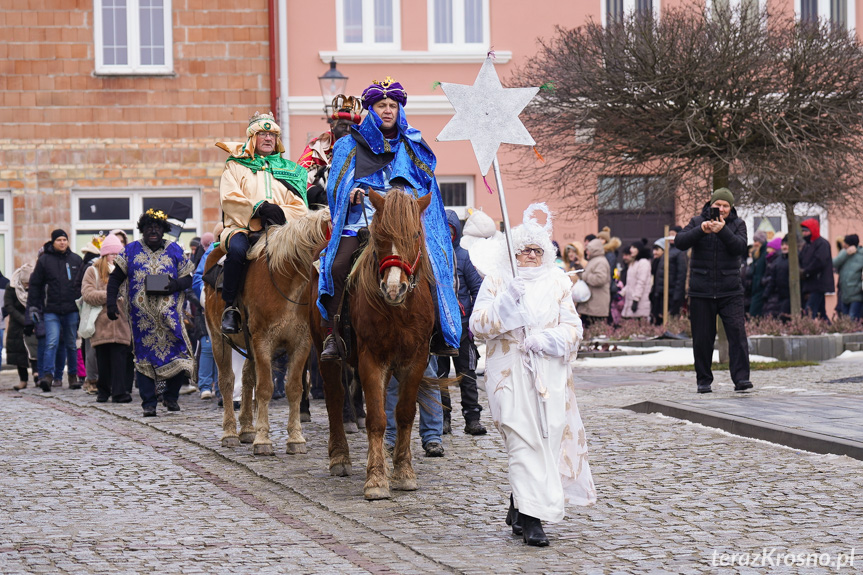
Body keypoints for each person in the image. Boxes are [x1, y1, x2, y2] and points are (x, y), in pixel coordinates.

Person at [468, 203, 596, 547]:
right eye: (523, 250)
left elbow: (574, 328)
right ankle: (532, 519)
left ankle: (519, 501)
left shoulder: (557, 281)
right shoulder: (498, 280)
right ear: (513, 252)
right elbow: (477, 325)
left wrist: (548, 339)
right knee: (522, 442)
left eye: (537, 250)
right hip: (509, 375)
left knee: (546, 440)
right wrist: (505, 304)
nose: (529, 256)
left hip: (549, 376)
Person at [317, 77, 460, 360]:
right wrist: (353, 191)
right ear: (371, 109)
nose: (387, 110)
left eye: (392, 105)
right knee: (336, 266)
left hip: (403, 224)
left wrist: (402, 200)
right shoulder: (349, 144)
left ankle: (439, 333)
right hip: (361, 221)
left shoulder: (411, 144)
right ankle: (335, 336)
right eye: (381, 105)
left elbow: (424, 185)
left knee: (435, 267)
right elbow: (336, 186)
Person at [216, 111, 309, 334]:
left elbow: (300, 207)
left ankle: (311, 310)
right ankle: (231, 308)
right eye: (262, 134)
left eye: (272, 135)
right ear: (252, 139)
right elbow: (229, 198)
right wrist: (259, 208)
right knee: (237, 252)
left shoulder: (289, 170)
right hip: (243, 228)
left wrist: (279, 212)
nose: (268, 139)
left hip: (280, 230)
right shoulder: (235, 166)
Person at [106, 209, 195, 417]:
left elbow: (189, 278)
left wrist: (175, 284)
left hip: (170, 316)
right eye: (148, 227)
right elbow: (115, 278)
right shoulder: (130, 251)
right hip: (141, 320)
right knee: (144, 359)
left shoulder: (174, 250)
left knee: (176, 355)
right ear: (142, 230)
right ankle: (149, 403)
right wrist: (111, 303)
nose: (153, 231)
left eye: (157, 227)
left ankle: (171, 397)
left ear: (163, 230)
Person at [674, 188, 752, 393]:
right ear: (711, 204)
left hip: (731, 290)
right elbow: (679, 242)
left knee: (737, 335)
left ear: (731, 207)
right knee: (702, 338)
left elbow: (740, 248)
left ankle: (742, 379)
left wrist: (722, 230)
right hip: (701, 291)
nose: (722, 209)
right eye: (718, 205)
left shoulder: (738, 225)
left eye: (726, 206)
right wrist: (701, 229)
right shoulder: (697, 221)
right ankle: (704, 380)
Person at [435, 209, 486, 436]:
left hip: (463, 327)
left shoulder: (464, 257)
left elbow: (478, 290)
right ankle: (443, 418)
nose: (447, 234)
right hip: (438, 328)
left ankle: (472, 418)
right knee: (440, 377)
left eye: (450, 230)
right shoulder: (432, 256)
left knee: (467, 374)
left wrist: (473, 319)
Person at [28, 229, 83, 392]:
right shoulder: (45, 260)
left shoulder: (76, 259)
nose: (62, 242)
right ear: (53, 242)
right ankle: (47, 376)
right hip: (51, 309)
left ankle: (73, 376)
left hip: (71, 309)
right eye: (59, 240)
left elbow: (81, 285)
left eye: (64, 239)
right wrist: (33, 307)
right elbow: (35, 285)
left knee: (72, 344)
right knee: (51, 342)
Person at [81, 233, 133, 403]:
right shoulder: (92, 271)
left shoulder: (125, 271)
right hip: (101, 323)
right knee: (102, 360)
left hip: (121, 322)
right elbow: (87, 293)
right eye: (112, 254)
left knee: (120, 359)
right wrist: (109, 295)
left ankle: (119, 392)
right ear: (104, 255)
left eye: (118, 254)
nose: (115, 257)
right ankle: (103, 391)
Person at [298, 94, 363, 207]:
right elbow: (299, 177)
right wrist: (317, 195)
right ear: (333, 126)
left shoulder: (363, 148)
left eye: (351, 126)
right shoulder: (318, 147)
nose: (347, 130)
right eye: (342, 125)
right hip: (319, 206)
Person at [6, 264, 39, 390]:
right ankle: (23, 379)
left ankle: (37, 375)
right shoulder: (11, 288)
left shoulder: (35, 288)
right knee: (19, 352)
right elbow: (9, 307)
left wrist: (32, 320)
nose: (27, 286)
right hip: (17, 324)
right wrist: (24, 320)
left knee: (34, 349)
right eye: (25, 283)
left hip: (33, 322)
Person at [798, 219, 835, 320]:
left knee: (809, 312)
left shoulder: (822, 244)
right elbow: (801, 260)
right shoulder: (807, 245)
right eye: (803, 231)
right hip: (811, 284)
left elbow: (819, 262)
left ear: (813, 230)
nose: (804, 233)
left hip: (818, 283)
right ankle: (829, 329)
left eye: (806, 231)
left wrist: (805, 272)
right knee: (821, 313)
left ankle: (807, 330)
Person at [576, 238, 611, 327]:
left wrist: (584, 275)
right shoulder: (594, 261)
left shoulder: (601, 262)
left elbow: (600, 279)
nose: (586, 252)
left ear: (594, 250)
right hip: (590, 305)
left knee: (595, 332)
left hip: (596, 307)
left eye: (588, 250)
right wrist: (578, 268)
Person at [832, 234, 863, 320]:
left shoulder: (861, 256)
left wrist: (858, 287)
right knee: (845, 320)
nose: (843, 244)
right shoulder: (844, 253)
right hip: (844, 295)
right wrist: (845, 253)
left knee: (852, 319)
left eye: (845, 242)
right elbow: (833, 263)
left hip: (856, 295)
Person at [621, 243, 651, 320]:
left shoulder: (643, 263)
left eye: (634, 247)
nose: (631, 249)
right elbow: (630, 283)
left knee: (638, 326)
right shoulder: (633, 263)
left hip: (639, 302)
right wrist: (621, 293)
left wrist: (636, 300)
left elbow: (641, 282)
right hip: (630, 300)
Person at [763, 236, 791, 318]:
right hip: (780, 295)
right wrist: (766, 293)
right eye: (783, 245)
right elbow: (773, 279)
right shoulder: (778, 260)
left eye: (787, 244)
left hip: (790, 295)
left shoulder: (796, 258)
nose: (784, 247)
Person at [667, 226, 688, 316]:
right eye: (669, 234)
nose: (671, 237)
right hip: (667, 291)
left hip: (674, 291)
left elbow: (681, 274)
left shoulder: (681, 252)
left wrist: (677, 293)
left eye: (673, 234)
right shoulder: (668, 250)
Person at [747, 231, 768, 317]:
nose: (755, 243)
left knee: (753, 314)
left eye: (757, 241)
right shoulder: (756, 254)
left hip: (760, 288)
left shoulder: (765, 254)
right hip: (756, 288)